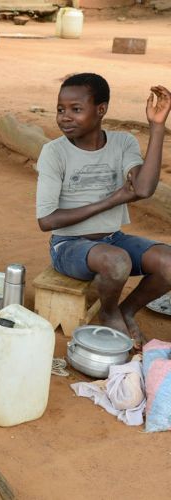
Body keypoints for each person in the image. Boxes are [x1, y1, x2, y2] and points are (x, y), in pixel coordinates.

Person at [36, 73, 171, 349]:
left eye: (76, 109)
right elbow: (47, 220)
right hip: (69, 246)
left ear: (101, 110)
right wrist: (113, 199)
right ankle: (108, 313)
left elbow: (143, 189)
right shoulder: (54, 152)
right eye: (60, 109)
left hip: (112, 239)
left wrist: (157, 127)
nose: (65, 117)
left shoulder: (123, 144)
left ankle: (126, 310)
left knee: (168, 263)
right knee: (117, 261)